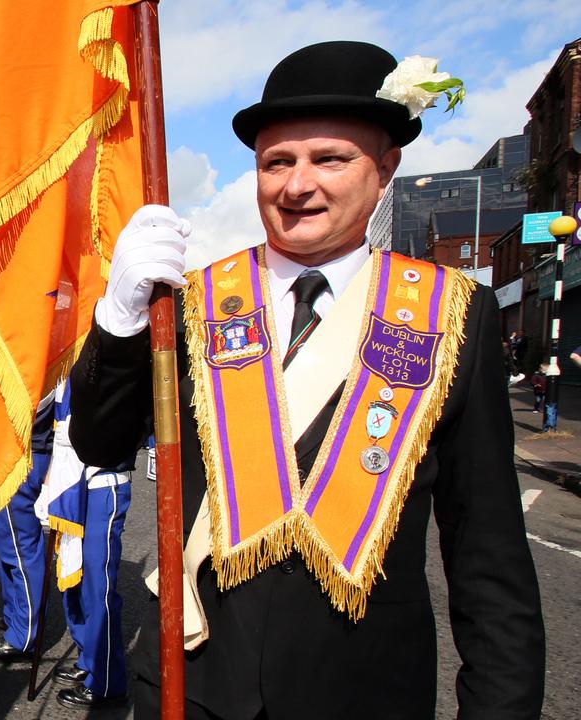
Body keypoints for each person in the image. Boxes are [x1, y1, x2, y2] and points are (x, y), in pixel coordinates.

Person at [68, 42, 544, 719]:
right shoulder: (195, 302)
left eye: (330, 159)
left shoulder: (454, 317)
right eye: (276, 163)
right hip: (197, 685)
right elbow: (99, 442)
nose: (296, 186)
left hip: (364, 691)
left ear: (384, 171)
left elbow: (487, 551)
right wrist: (118, 322)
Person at [37, 380, 131, 709]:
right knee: (72, 576)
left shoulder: (115, 367)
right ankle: (88, 659)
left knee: (97, 585)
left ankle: (107, 682)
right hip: (70, 482)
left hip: (103, 483)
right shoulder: (68, 374)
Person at [0, 391, 56, 665]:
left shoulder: (28, 356)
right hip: (6, 451)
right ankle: (15, 617)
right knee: (5, 548)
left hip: (17, 454)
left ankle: (25, 635)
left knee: (19, 550)